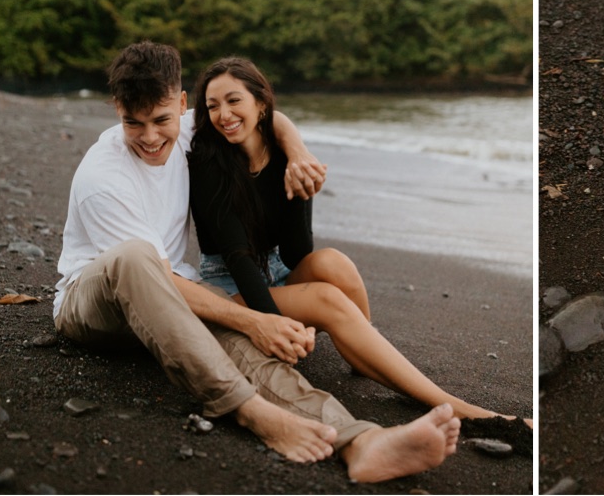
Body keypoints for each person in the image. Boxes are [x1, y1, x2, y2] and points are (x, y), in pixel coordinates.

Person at [54, 41, 459, 481]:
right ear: (117, 110)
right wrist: (254, 319)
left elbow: (269, 116)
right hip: (96, 305)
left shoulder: (192, 125)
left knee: (246, 349)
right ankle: (252, 413)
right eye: (134, 123)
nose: (150, 138)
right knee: (140, 259)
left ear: (182, 105)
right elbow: (156, 276)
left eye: (161, 121)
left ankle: (359, 440)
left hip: (174, 293)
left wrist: (299, 152)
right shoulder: (103, 178)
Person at [187, 56, 529, 428]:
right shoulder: (208, 160)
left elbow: (297, 252)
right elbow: (237, 257)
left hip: (276, 269)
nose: (223, 114)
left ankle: (365, 353)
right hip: (230, 285)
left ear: (261, 103)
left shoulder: (285, 153)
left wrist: (303, 190)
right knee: (327, 298)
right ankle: (459, 408)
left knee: (333, 262)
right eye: (213, 105)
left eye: (233, 100)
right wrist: (271, 326)